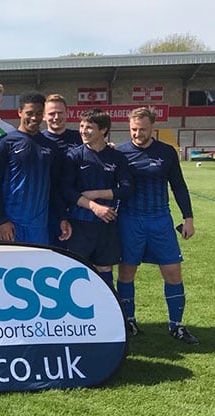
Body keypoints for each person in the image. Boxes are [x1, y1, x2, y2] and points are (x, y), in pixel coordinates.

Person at [116, 108, 198, 344]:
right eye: (133, 129)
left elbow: (179, 186)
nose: (137, 134)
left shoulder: (166, 152)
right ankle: (129, 320)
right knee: (127, 272)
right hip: (130, 220)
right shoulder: (120, 153)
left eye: (142, 129)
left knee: (173, 272)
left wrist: (188, 218)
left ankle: (177, 325)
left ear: (153, 128)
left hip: (160, 219)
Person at [0, 92, 71, 245]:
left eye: (39, 113)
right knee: (6, 267)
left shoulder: (50, 147)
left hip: (38, 226)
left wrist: (62, 217)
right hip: (10, 224)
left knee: (36, 268)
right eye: (29, 113)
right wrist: (1, 219)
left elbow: (55, 187)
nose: (34, 118)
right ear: (20, 112)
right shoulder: (4, 143)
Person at [60, 109, 132, 288]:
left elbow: (127, 188)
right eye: (81, 126)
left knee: (104, 269)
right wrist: (94, 206)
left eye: (89, 127)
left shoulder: (117, 157)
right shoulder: (73, 156)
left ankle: (106, 314)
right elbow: (67, 190)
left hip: (106, 225)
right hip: (79, 224)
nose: (83, 131)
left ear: (103, 130)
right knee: (76, 271)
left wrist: (98, 194)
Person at [42, 94, 83, 246]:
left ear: (67, 112)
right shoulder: (38, 140)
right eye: (52, 113)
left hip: (78, 206)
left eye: (60, 112)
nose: (56, 117)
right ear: (44, 116)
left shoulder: (79, 138)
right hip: (48, 208)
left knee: (79, 256)